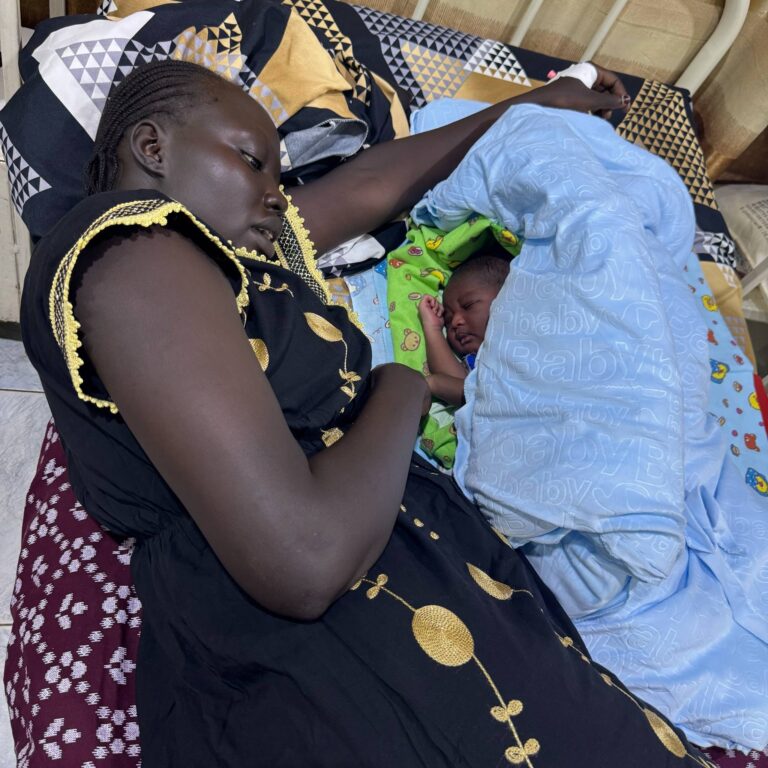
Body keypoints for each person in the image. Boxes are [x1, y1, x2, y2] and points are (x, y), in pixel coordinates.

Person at [19, 58, 715, 767]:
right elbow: (303, 557)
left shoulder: (238, 259)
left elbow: (374, 184)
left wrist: (541, 102)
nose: (275, 196)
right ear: (153, 147)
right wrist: (404, 386)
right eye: (253, 161)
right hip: (343, 651)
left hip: (418, 606)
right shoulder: (130, 247)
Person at [418, 254, 510, 405]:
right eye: (448, 321)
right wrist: (433, 328)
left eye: (468, 305)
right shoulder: (479, 362)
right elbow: (459, 386)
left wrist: (433, 384)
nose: (455, 322)